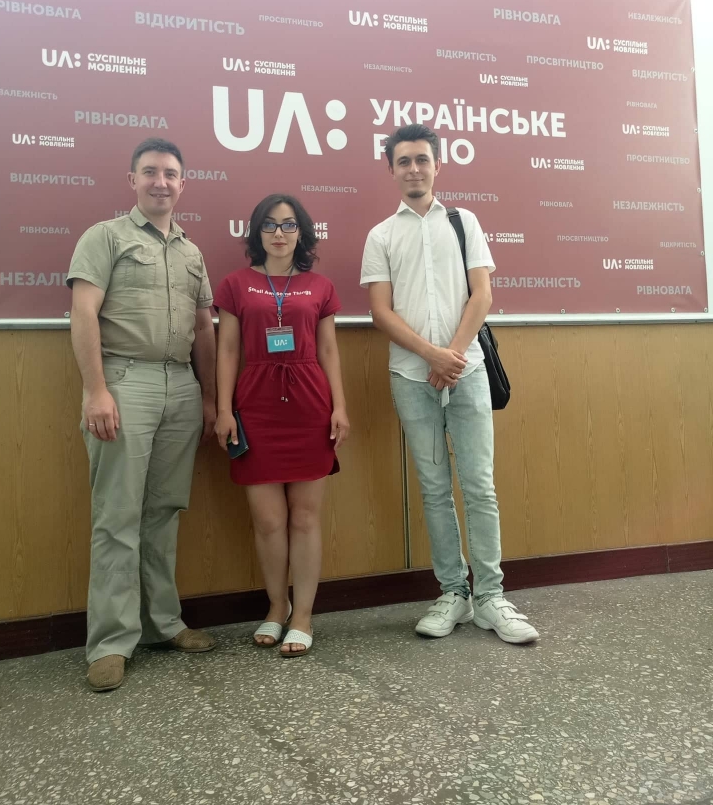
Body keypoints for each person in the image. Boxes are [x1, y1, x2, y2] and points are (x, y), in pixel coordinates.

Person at [360, 123, 538, 645]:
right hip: (410, 377)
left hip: (469, 374)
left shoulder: (465, 222)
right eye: (404, 161)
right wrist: (431, 356)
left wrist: (451, 358)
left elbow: (482, 295)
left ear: (437, 165)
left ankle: (491, 598)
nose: (414, 168)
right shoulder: (381, 235)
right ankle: (453, 593)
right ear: (391, 170)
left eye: (422, 159)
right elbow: (380, 311)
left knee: (479, 486)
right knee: (435, 490)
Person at [67, 138, 218, 692]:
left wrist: (209, 398)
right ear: (132, 180)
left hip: (181, 386)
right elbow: (83, 312)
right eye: (150, 172)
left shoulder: (192, 252)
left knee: (163, 512)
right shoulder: (104, 237)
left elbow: (203, 328)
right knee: (117, 515)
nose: (161, 181)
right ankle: (110, 642)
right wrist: (96, 391)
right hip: (123, 382)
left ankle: (163, 624)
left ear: (183, 183)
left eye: (170, 173)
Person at [214, 194, 349, 657]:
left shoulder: (320, 286)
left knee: (306, 518)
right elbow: (227, 350)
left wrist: (339, 406)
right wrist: (224, 409)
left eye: (289, 225)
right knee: (269, 521)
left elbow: (328, 350)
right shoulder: (235, 285)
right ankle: (277, 607)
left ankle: (303, 616)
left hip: (310, 405)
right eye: (269, 225)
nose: (279, 233)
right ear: (256, 232)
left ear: (301, 233)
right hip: (255, 406)